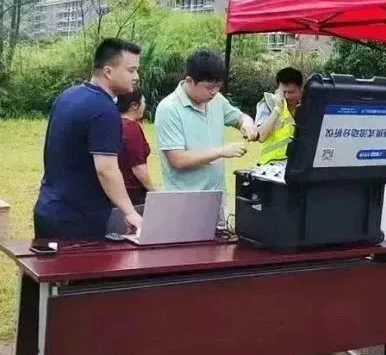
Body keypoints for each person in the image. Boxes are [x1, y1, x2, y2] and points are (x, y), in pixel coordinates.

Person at [33, 38, 144, 240]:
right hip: (77, 221)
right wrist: (129, 212)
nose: (136, 76)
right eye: (131, 70)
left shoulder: (68, 95)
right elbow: (106, 170)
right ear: (108, 71)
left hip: (48, 209)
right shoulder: (104, 110)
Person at [154, 50, 259, 195]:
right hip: (184, 197)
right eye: (209, 87)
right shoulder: (169, 109)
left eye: (218, 86)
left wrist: (247, 124)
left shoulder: (217, 100)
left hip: (216, 194)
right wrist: (221, 151)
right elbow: (178, 159)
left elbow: (239, 117)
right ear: (190, 81)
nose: (214, 92)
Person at [256, 67, 303, 165]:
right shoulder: (268, 103)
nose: (287, 96)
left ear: (300, 89)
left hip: (297, 166)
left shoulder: (307, 106)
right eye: (283, 92)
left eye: (291, 92)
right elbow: (261, 136)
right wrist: (277, 108)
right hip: (270, 166)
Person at [117, 88, 155, 207]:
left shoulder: (116, 123)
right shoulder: (130, 128)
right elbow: (138, 167)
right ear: (134, 105)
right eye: (143, 102)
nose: (145, 106)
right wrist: (154, 192)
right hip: (134, 193)